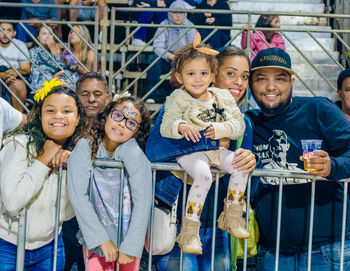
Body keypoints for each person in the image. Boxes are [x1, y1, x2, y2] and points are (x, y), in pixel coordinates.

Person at [146, 45, 255, 270]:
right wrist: (202, 140)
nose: (239, 82)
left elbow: (240, 168)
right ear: (215, 73)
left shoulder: (243, 121)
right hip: (177, 218)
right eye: (231, 73)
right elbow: (155, 150)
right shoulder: (178, 103)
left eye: (245, 76)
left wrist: (250, 160)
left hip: (217, 224)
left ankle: (231, 216)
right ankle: (190, 230)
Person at [246, 47, 350, 270]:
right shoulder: (247, 123)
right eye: (261, 79)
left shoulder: (318, 109)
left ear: (292, 81)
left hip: (328, 250)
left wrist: (332, 166)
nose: (271, 87)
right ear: (250, 83)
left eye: (280, 79)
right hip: (273, 253)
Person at [0, 80, 86, 270]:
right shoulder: (19, 144)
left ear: (78, 118)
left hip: (49, 246)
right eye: (50, 110)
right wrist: (44, 159)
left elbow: (68, 213)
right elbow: (12, 202)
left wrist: (74, 170)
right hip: (6, 245)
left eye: (67, 111)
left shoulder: (76, 154)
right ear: (39, 116)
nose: (58, 116)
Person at [68, 93, 152, 270]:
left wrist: (131, 246)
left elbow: (143, 200)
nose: (122, 123)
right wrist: (101, 240)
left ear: (137, 131)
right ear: (107, 114)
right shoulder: (85, 146)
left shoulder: (135, 154)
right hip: (96, 237)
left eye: (131, 123)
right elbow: (78, 195)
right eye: (118, 115)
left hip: (128, 238)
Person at [144, 0, 197, 103]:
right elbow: (158, 47)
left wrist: (183, 58)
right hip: (167, 60)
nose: (178, 16)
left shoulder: (190, 26)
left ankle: (188, 98)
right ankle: (152, 95)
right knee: (153, 59)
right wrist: (170, 56)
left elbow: (194, 47)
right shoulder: (164, 24)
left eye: (181, 13)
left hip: (184, 61)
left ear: (185, 14)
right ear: (170, 13)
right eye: (175, 13)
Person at [29, 25, 79, 95]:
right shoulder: (34, 51)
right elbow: (51, 66)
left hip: (63, 78)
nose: (48, 36)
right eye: (44, 33)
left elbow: (74, 65)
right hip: (45, 80)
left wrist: (62, 55)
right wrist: (53, 49)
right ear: (38, 37)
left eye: (50, 34)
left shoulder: (64, 50)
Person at [0, 22, 31, 111]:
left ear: (14, 33)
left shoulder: (20, 44)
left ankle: (19, 119)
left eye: (9, 30)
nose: (5, 34)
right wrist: (3, 76)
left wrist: (14, 73)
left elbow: (26, 69)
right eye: (2, 30)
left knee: (18, 85)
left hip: (14, 76)